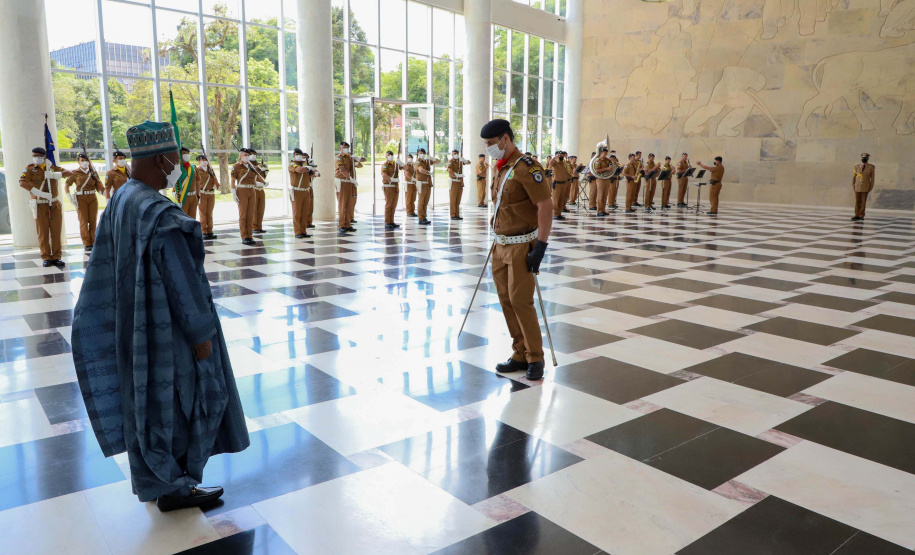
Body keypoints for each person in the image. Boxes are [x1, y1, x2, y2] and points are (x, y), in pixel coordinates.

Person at [71, 120, 249, 513]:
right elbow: (183, 282)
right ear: (160, 159)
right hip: (167, 334)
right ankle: (175, 490)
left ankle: (155, 481)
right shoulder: (160, 214)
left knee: (146, 405)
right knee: (180, 404)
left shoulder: (123, 198)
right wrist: (201, 336)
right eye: (174, 159)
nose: (178, 167)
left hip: (134, 326)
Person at [481, 119, 552, 381]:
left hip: (522, 245)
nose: (489, 148)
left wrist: (541, 246)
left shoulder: (527, 167)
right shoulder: (502, 167)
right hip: (500, 245)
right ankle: (520, 353)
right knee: (506, 301)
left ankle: (536, 357)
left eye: (491, 143)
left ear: (505, 139)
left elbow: (545, 205)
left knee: (521, 301)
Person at [19, 147, 70, 268]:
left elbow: (69, 173)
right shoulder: (30, 169)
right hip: (40, 203)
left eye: (39, 156)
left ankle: (56, 256)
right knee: (43, 232)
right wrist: (40, 193)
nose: (37, 158)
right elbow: (22, 183)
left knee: (56, 231)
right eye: (34, 156)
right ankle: (46, 257)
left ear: (44, 157)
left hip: (54, 204)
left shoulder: (52, 167)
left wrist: (55, 175)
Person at [65, 153, 103, 252]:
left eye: (86, 160)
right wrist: (69, 197)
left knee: (93, 220)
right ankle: (86, 243)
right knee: (83, 221)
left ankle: (93, 241)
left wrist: (103, 192)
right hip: (80, 198)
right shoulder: (75, 173)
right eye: (82, 160)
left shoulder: (92, 173)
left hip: (92, 197)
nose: (84, 162)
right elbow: (67, 185)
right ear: (78, 162)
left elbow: (98, 186)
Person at [230, 148, 262, 245]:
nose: (247, 157)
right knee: (243, 215)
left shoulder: (251, 166)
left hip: (251, 190)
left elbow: (253, 180)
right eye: (245, 155)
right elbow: (233, 180)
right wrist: (234, 192)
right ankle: (244, 236)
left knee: (250, 214)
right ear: (240, 156)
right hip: (242, 190)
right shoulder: (236, 166)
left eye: (248, 155)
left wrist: (260, 184)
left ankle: (249, 235)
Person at [334, 141, 360, 236]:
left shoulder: (350, 158)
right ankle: (341, 225)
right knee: (342, 204)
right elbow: (341, 170)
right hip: (342, 182)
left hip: (349, 183)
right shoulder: (339, 158)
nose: (345, 149)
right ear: (340, 148)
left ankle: (348, 224)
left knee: (350, 204)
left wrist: (357, 159)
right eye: (343, 147)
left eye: (347, 148)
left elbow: (360, 165)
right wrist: (350, 178)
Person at [289, 148, 317, 238]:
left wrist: (312, 167)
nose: (298, 156)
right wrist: (308, 167)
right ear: (294, 156)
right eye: (297, 154)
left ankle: (303, 231)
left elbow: (313, 174)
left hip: (306, 191)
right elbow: (299, 170)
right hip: (296, 191)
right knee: (297, 213)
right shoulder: (292, 164)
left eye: (300, 155)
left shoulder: (304, 165)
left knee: (305, 212)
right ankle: (297, 232)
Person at [194, 154, 220, 240]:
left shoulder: (210, 170)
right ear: (199, 161)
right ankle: (204, 231)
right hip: (202, 193)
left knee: (209, 213)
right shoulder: (197, 170)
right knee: (203, 213)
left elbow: (215, 182)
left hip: (211, 193)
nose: (204, 161)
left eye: (205, 160)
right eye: (203, 160)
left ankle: (210, 231)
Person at [246, 148, 268, 234]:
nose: (253, 156)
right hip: (253, 188)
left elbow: (263, 176)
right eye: (251, 154)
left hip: (260, 189)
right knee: (254, 209)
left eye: (255, 154)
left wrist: (265, 170)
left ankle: (259, 226)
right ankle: (254, 226)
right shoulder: (247, 165)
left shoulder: (260, 165)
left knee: (261, 209)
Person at [380, 150, 401, 230]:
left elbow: (405, 168)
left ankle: (391, 221)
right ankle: (387, 222)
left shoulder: (396, 165)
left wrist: (401, 163)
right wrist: (391, 179)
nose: (389, 156)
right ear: (386, 156)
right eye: (388, 155)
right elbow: (384, 175)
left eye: (391, 155)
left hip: (395, 187)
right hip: (388, 186)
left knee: (393, 205)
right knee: (388, 205)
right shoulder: (385, 165)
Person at [548, 150, 572, 221]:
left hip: (563, 183)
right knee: (556, 200)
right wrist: (555, 157)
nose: (561, 157)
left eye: (562, 155)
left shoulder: (563, 163)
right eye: (560, 155)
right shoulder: (555, 163)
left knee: (561, 200)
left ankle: (559, 213)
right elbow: (550, 163)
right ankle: (555, 214)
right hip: (557, 184)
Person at [851, 153, 875, 221]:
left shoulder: (871, 167)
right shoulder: (857, 167)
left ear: (867, 159)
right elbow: (854, 177)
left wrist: (870, 186)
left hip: (865, 186)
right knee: (857, 201)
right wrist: (853, 185)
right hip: (857, 186)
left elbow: (872, 178)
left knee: (863, 201)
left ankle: (861, 214)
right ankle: (856, 215)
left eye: (865, 158)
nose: (864, 159)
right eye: (863, 158)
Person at [448, 149, 470, 220]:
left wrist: (464, 160)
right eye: (454, 153)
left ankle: (457, 214)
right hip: (454, 181)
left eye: (456, 153)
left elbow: (469, 162)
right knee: (453, 199)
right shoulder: (450, 162)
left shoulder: (460, 161)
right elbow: (449, 170)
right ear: (452, 154)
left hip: (460, 182)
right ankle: (453, 215)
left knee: (458, 199)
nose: (455, 155)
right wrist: (456, 175)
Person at [415, 147, 433, 225]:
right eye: (420, 153)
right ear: (418, 154)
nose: (422, 154)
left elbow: (438, 161)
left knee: (425, 202)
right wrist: (428, 172)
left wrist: (431, 158)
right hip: (421, 183)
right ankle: (421, 218)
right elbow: (421, 170)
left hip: (427, 183)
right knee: (421, 201)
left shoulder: (426, 161)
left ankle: (424, 217)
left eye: (423, 153)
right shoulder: (418, 162)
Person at [178, 147, 198, 219]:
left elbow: (197, 181)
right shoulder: (177, 168)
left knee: (193, 219)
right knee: (184, 219)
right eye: (184, 153)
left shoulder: (193, 168)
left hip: (193, 197)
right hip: (183, 196)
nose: (186, 155)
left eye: (187, 153)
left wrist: (198, 195)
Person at [593, 147, 613, 217]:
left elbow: (612, 166)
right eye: (604, 153)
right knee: (600, 195)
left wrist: (613, 162)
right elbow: (597, 170)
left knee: (605, 195)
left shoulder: (607, 160)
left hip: (607, 179)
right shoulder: (598, 161)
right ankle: (599, 210)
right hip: (600, 179)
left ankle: (603, 210)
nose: (605, 154)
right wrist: (607, 169)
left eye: (606, 153)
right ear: (601, 153)